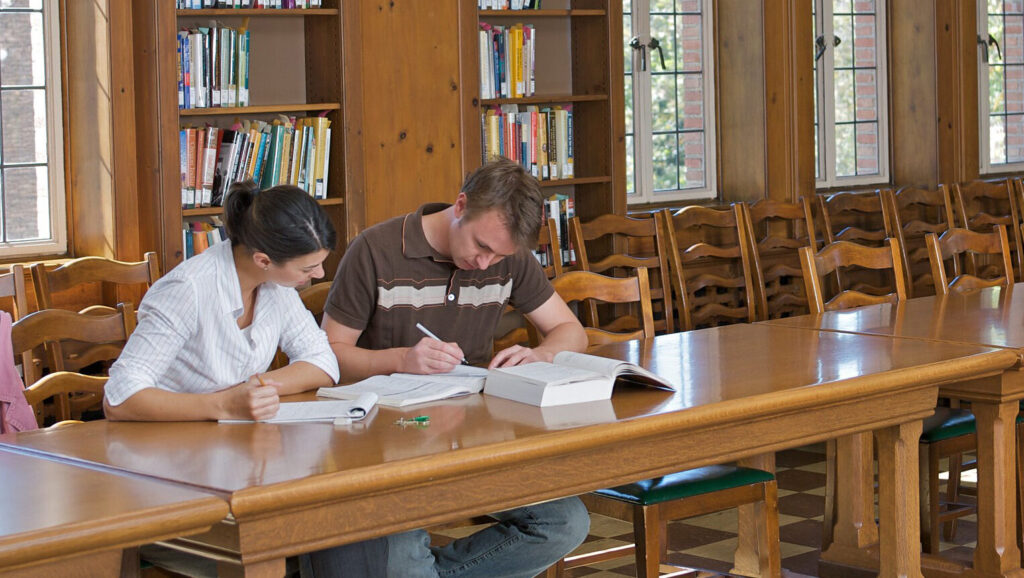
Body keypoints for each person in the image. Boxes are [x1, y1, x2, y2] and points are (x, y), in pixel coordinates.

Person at [317, 158, 590, 578]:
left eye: (499, 255)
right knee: (405, 564)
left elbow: (570, 331)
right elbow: (329, 357)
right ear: (460, 205)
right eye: (481, 247)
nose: (486, 263)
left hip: (476, 440)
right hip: (389, 444)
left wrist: (542, 354)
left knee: (565, 523)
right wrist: (400, 360)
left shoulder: (506, 257)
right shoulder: (375, 250)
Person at [104, 181, 340, 421]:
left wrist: (252, 391)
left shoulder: (277, 286)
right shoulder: (188, 289)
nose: (320, 274)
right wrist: (224, 405)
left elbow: (322, 362)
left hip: (229, 440)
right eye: (308, 268)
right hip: (165, 441)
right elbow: (120, 397)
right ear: (263, 261)